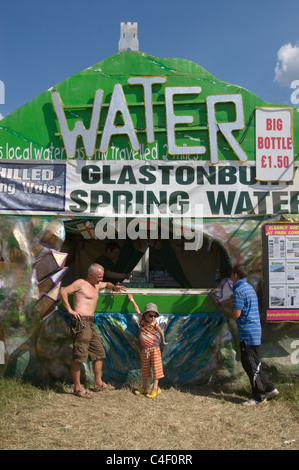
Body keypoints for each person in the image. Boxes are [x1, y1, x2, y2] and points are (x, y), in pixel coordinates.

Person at [60, 263, 126, 399]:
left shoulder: (96, 285)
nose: (100, 279)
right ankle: (77, 388)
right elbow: (63, 292)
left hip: (91, 323)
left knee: (98, 353)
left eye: (101, 276)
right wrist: (70, 310)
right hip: (81, 323)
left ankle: (98, 383)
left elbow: (107, 283)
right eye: (98, 277)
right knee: (79, 355)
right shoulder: (81, 283)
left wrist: (114, 287)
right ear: (91, 275)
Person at [231, 264, 279, 406]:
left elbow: (236, 314)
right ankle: (270, 388)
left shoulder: (239, 290)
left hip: (247, 332)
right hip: (255, 329)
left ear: (235, 275)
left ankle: (259, 395)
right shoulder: (249, 288)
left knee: (250, 364)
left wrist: (229, 307)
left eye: (231, 275)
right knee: (255, 363)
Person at [127, 293, 167, 398]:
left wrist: (163, 341)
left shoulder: (154, 324)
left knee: (156, 368)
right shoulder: (141, 319)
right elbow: (136, 309)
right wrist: (131, 299)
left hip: (154, 348)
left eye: (154, 316)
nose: (152, 318)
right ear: (145, 315)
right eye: (150, 315)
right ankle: (144, 387)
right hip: (145, 349)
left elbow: (161, 332)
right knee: (145, 368)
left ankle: (155, 388)